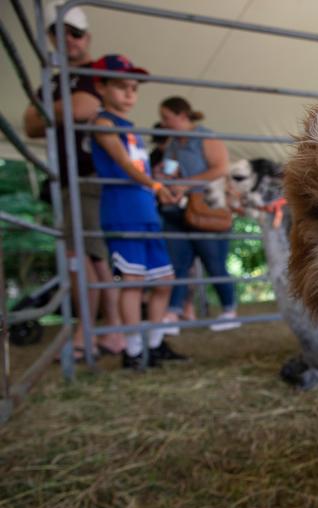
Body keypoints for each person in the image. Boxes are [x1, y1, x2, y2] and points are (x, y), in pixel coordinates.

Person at [21, 3, 125, 359]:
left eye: (75, 32)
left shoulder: (95, 73)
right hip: (68, 179)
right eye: (58, 33)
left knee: (84, 256)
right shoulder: (52, 78)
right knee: (92, 258)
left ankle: (91, 331)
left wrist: (52, 110)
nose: (67, 40)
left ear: (87, 37)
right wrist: (63, 107)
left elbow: (81, 110)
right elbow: (29, 124)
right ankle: (108, 332)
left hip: (88, 177)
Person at [90, 54, 186, 368]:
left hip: (146, 211)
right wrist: (158, 186)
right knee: (132, 281)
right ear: (101, 86)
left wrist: (159, 187)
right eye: (121, 87)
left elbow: (139, 170)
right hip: (122, 210)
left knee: (164, 279)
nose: (130, 94)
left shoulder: (129, 127)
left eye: (134, 88)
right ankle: (133, 351)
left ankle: (154, 344)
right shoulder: (103, 123)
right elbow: (125, 166)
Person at [157, 97, 239, 331]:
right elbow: (172, 171)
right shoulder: (173, 143)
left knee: (214, 262)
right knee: (177, 263)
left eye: (166, 117)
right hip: (178, 209)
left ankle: (229, 310)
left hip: (206, 208)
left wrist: (185, 183)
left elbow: (221, 168)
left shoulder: (205, 138)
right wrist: (167, 180)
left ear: (182, 115)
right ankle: (172, 312)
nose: (163, 123)